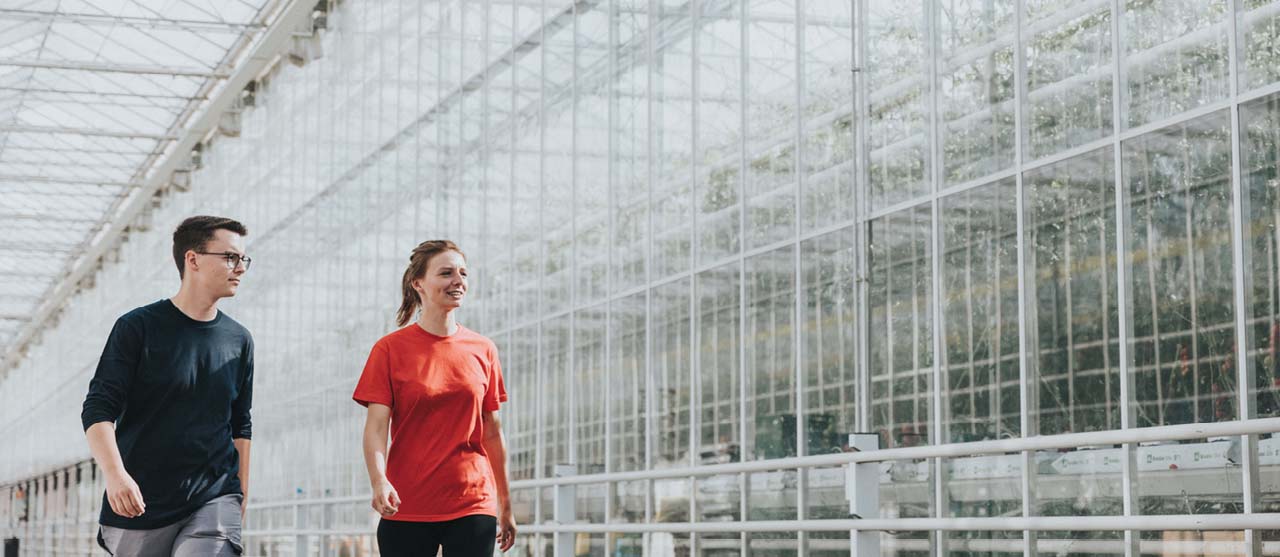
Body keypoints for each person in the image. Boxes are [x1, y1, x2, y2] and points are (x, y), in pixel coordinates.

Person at [81, 216, 255, 556]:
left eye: (243, 259)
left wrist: (240, 495)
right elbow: (99, 409)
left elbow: (240, 423)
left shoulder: (239, 341)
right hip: (141, 502)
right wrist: (116, 475)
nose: (240, 268)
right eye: (230, 257)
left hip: (215, 497)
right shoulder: (137, 328)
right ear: (193, 259)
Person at [353, 240, 516, 555]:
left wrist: (505, 503)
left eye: (463, 273)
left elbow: (493, 431)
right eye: (446, 273)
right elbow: (376, 427)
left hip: (473, 501)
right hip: (407, 502)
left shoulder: (484, 349)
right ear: (419, 284)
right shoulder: (389, 350)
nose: (458, 281)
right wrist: (378, 481)